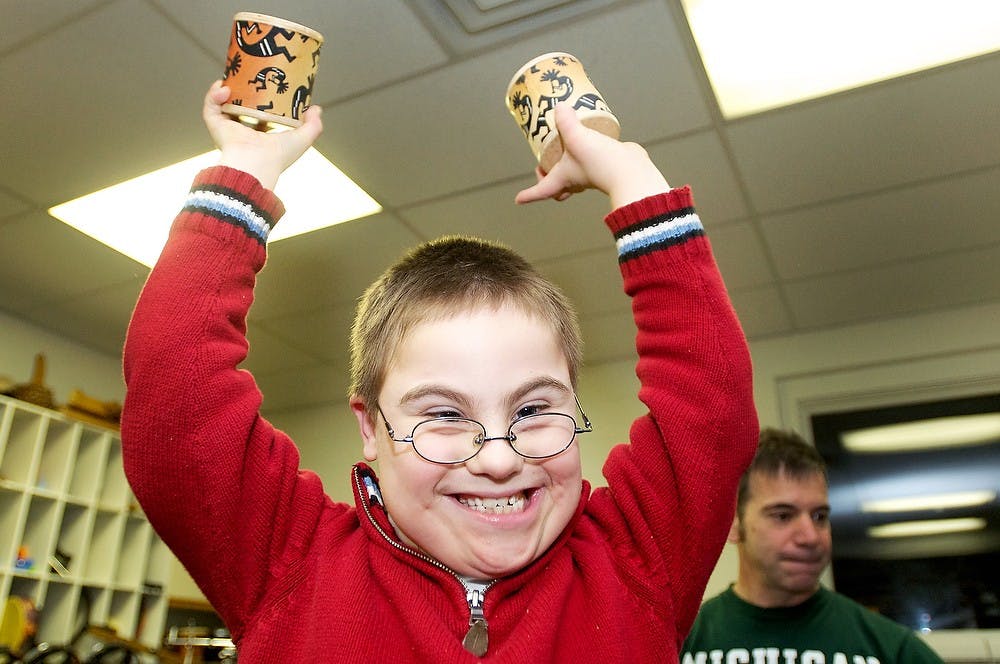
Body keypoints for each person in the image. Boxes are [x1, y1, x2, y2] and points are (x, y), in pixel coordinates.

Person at [120, 80, 758, 662]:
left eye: (534, 411)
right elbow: (178, 393)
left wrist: (631, 175)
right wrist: (244, 168)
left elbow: (711, 405)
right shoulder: (291, 562)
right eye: (446, 415)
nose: (501, 461)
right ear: (370, 426)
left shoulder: (637, 562)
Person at [681, 428, 945, 664]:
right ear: (733, 524)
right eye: (783, 515)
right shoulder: (683, 644)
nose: (810, 537)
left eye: (819, 516)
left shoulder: (890, 650)